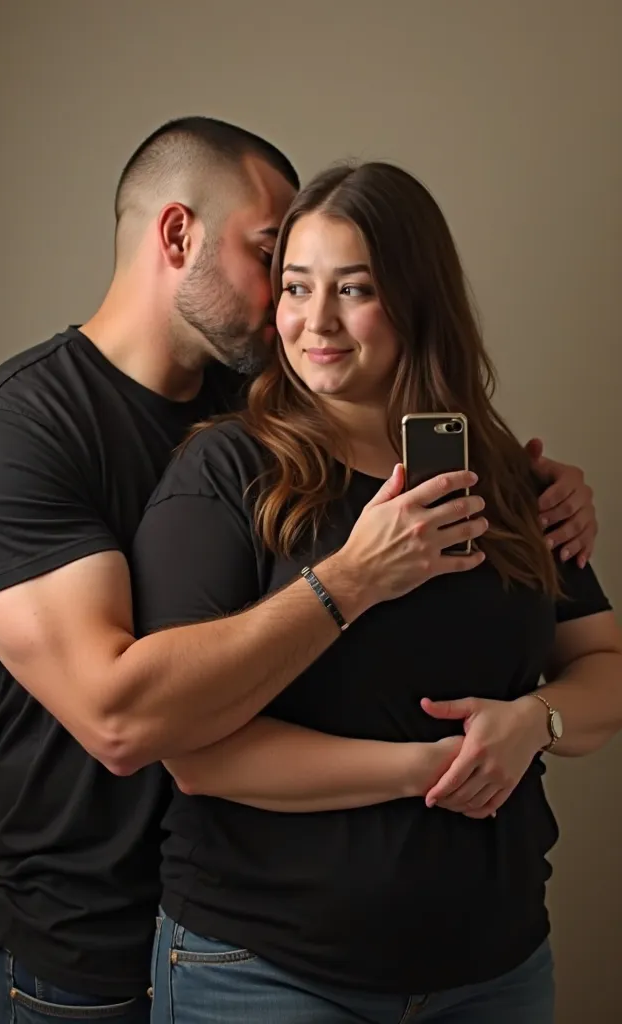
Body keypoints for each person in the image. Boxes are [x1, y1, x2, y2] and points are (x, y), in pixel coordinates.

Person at [0, 116, 597, 1023]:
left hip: (405, 936)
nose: (305, 313)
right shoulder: (17, 438)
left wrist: (539, 495)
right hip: (96, 938)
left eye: (343, 284)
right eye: (276, 264)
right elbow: (124, 721)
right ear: (177, 235)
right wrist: (357, 584)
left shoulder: (267, 395)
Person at [132, 161, 622, 1024]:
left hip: (494, 968)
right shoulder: (226, 475)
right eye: (295, 286)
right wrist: (426, 769)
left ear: (415, 298)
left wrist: (533, 723)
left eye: (352, 289)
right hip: (265, 970)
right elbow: (191, 747)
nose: (314, 321)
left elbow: (605, 664)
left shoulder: (502, 473)